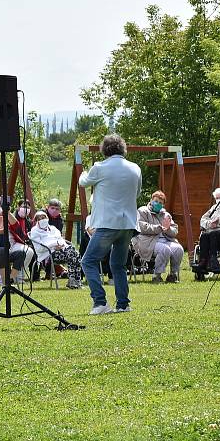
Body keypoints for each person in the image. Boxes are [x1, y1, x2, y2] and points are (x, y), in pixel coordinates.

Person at [79, 134, 142, 314]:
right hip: (128, 223)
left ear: (104, 150)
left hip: (108, 223)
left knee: (88, 261)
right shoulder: (135, 168)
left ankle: (100, 302)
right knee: (118, 265)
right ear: (123, 148)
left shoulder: (99, 167)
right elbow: (137, 193)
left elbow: (83, 183)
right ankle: (123, 304)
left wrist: (84, 171)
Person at [132, 190, 182, 283]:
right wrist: (159, 228)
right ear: (151, 200)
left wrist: (168, 229)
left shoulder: (166, 215)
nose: (157, 204)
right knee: (164, 249)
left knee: (178, 249)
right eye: (156, 201)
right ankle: (157, 275)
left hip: (166, 240)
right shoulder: (142, 211)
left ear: (163, 205)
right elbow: (142, 227)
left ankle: (173, 275)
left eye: (160, 203)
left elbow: (175, 230)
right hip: (147, 241)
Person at [29, 210, 83, 289]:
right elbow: (39, 249)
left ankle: (75, 281)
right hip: (48, 254)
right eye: (39, 219)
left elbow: (60, 239)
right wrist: (54, 246)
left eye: (44, 217)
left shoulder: (53, 228)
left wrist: (60, 245)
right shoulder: (35, 231)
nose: (42, 220)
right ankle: (74, 281)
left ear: (47, 218)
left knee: (75, 254)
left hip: (61, 250)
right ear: (36, 221)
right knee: (73, 254)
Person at [196, 187, 220, 274]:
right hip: (213, 233)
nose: (219, 200)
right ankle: (203, 261)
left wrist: (219, 219)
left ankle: (213, 260)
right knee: (204, 235)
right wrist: (210, 224)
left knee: (213, 234)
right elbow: (202, 220)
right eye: (217, 198)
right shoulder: (214, 208)